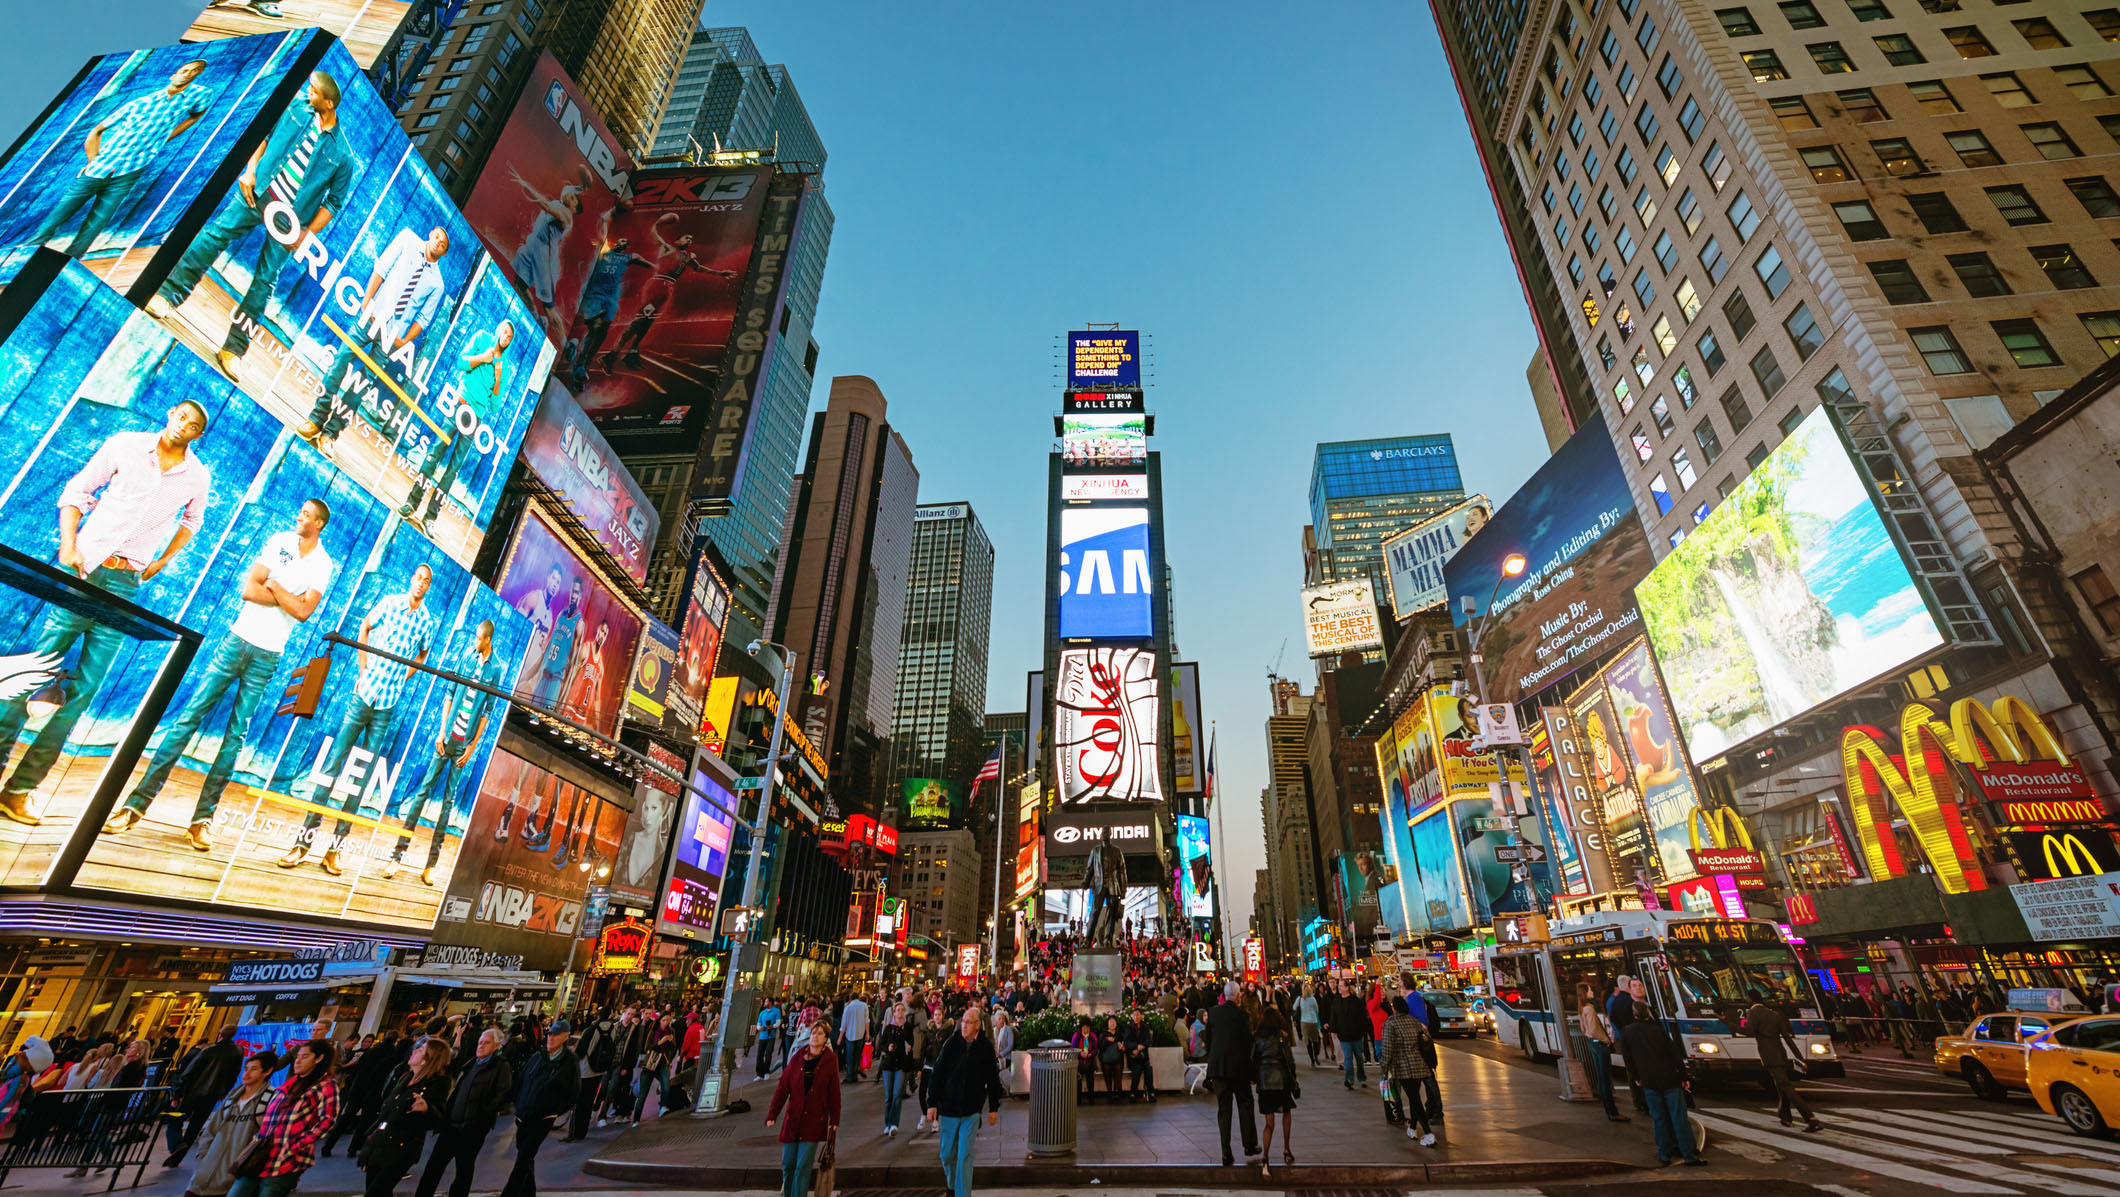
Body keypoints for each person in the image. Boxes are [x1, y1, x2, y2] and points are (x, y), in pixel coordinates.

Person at [0, 401, 211, 827]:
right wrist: (69, 544)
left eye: (193, 426)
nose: (184, 426)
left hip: (125, 585)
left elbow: (193, 521)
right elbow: (76, 492)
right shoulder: (125, 445)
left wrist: (162, 561)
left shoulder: (197, 475)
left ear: (196, 435)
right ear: (169, 414)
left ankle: (18, 791)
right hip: (83, 571)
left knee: (81, 694)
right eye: (181, 417)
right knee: (33, 675)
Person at [150, 72, 359, 382]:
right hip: (259, 190)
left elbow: (333, 203)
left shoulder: (343, 155)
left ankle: (233, 351)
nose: (307, 91)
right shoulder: (295, 107)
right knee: (213, 236)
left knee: (265, 282)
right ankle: (167, 295)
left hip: (290, 220)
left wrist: (305, 234)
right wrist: (249, 172)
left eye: (313, 90)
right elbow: (262, 137)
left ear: (328, 103)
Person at [278, 564, 440, 874]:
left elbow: (422, 656)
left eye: (426, 580)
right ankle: (303, 843)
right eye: (417, 577)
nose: (420, 583)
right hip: (363, 694)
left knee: (360, 779)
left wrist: (404, 677)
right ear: (411, 579)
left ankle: (335, 850)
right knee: (331, 766)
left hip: (387, 705)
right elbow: (364, 627)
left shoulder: (427, 622)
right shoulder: (390, 602)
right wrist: (363, 669)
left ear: (429, 587)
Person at [28, 59, 211, 258]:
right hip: (102, 166)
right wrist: (92, 161)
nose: (188, 73)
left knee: (99, 219)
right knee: (61, 212)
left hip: (131, 170)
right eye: (185, 70)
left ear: (199, 74)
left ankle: (71, 258)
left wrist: (168, 136)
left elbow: (196, 115)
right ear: (173, 74)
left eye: (195, 71)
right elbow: (96, 131)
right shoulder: (140, 103)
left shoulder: (199, 95)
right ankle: (29, 251)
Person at [384, 619, 502, 884]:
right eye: (475, 638)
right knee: (423, 791)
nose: (475, 642)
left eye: (478, 638)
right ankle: (397, 855)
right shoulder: (465, 658)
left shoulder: (495, 670)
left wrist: (471, 747)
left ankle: (431, 865)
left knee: (447, 804)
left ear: (487, 640)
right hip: (446, 738)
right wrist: (441, 731)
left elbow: (487, 711)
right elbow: (449, 693)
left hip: (463, 746)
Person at [404, 322, 516, 526]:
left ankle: (430, 517)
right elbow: (461, 362)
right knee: (435, 452)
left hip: (475, 417)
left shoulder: (505, 366)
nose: (505, 338)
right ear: (498, 329)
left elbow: (494, 405)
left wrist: (498, 378)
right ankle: (412, 502)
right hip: (459, 404)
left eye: (509, 337)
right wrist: (483, 358)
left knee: (453, 468)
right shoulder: (482, 337)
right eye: (504, 332)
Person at [228, 1039, 339, 1197]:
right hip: (261, 1154)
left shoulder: (326, 1085)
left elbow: (328, 1120)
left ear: (319, 1058)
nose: (298, 1060)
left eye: (305, 1056)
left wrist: (298, 1143)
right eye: (298, 1056)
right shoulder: (290, 1084)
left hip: (286, 1160)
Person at [415, 1027, 511, 1197]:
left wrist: (484, 1115)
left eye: (486, 1043)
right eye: (480, 1042)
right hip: (451, 1126)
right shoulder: (471, 1063)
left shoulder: (500, 1066)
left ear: (496, 1046)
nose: (480, 1045)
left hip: (472, 1129)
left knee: (464, 1170)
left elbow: (502, 1094)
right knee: (434, 1167)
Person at [356, 1036, 452, 1197]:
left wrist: (426, 1109)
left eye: (421, 1050)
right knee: (377, 1190)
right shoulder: (404, 1077)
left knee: (375, 1192)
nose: (414, 1051)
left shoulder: (437, 1083)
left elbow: (439, 1118)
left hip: (401, 1148)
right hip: (379, 1142)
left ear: (427, 1059)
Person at [925, 1004, 1003, 1197]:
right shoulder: (952, 1044)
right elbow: (938, 1074)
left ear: (977, 1025)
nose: (964, 1025)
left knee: (965, 1154)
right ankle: (952, 1185)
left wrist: (993, 1107)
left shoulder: (985, 1048)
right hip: (949, 1108)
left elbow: (993, 1079)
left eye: (968, 1022)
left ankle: (962, 1194)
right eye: (963, 1022)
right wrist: (931, 1103)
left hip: (971, 1110)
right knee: (947, 1155)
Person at [500, 1020, 578, 1197]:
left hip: (542, 1119)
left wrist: (552, 1110)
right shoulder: (538, 1056)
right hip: (523, 1115)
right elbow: (521, 1079)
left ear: (565, 1037)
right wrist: (518, 1103)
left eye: (555, 1035)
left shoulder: (568, 1061)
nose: (550, 1038)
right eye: (549, 1034)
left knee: (523, 1160)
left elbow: (573, 1092)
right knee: (525, 1157)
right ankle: (529, 1192)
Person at [186, 1050, 276, 1197]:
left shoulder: (271, 1099)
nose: (246, 1074)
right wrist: (202, 1158)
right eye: (246, 1069)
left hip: (234, 1181)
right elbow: (211, 1130)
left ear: (267, 1071)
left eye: (254, 1069)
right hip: (201, 1179)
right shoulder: (231, 1099)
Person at [765, 1021, 839, 1197]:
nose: (815, 1036)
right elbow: (783, 1088)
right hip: (793, 1119)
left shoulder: (830, 1060)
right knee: (788, 1165)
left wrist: (834, 1119)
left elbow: (834, 1092)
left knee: (802, 1166)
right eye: (813, 1033)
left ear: (825, 1038)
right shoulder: (798, 1057)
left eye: (820, 1034)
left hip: (814, 1120)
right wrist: (772, 1114)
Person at [1618, 1011, 1701, 1166]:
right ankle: (1689, 1154)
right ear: (1647, 1015)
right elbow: (1675, 1055)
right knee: (1679, 1118)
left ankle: (1664, 1153)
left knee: (1659, 1118)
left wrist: (1636, 1077)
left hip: (1649, 1081)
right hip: (1669, 1079)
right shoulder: (1658, 1030)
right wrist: (1684, 1077)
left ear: (1634, 1014)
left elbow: (1628, 1058)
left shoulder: (1628, 1033)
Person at [1743, 989, 1824, 1132]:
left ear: (1750, 999)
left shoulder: (1752, 1013)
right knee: (1781, 1085)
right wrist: (1799, 1057)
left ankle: (1810, 1117)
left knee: (1785, 1086)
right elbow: (1787, 1039)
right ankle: (1785, 1117)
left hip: (1769, 1056)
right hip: (1781, 1054)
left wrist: (1728, 1024)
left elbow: (1749, 1031)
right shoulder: (1775, 1015)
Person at [163, 1025, 243, 1165]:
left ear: (219, 1035)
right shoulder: (237, 1051)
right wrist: (223, 1092)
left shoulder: (209, 1050)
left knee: (174, 1119)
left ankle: (176, 1145)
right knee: (195, 1126)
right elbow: (233, 1075)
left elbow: (189, 1072)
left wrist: (177, 1094)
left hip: (194, 1092)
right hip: (213, 1095)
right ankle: (177, 1157)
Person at [1203, 992, 1261, 1167]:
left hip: (1219, 1069)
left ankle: (1225, 1153)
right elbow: (1248, 1044)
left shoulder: (1213, 1013)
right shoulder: (1242, 1015)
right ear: (1237, 996)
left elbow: (1208, 1039)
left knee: (1224, 1110)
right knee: (1245, 1104)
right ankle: (1249, 1145)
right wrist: (1252, 1074)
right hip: (1238, 1070)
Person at [1380, 995, 1437, 1147]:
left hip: (1403, 1066)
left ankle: (1428, 1133)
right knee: (1414, 1096)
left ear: (1394, 1008)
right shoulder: (1414, 1022)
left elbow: (1387, 1048)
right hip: (1419, 1064)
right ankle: (1412, 1128)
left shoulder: (1390, 1023)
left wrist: (1384, 1067)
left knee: (1414, 1098)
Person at [1253, 1007, 1299, 1177]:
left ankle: (1265, 1157)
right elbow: (1289, 1060)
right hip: (1281, 1079)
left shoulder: (1257, 1037)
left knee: (1269, 1123)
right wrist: (1293, 1078)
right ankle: (1286, 1148)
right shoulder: (1282, 1037)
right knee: (1286, 1113)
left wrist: (1255, 1077)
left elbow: (1253, 1059)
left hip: (1265, 1081)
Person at [1577, 981, 1626, 1122]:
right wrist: (1606, 1040)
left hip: (1591, 1043)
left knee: (1601, 1078)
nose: (1592, 991)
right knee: (1605, 1079)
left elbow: (1584, 1029)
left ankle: (1609, 1110)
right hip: (1599, 1044)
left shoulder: (1582, 1008)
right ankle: (1612, 1111)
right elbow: (1593, 1029)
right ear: (1585, 993)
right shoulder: (1590, 1009)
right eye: (1590, 990)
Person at [1331, 979, 1370, 1088]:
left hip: (1356, 1034)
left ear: (1347, 987)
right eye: (1339, 986)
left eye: (1341, 986)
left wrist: (1363, 1031)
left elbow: (1362, 1017)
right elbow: (1333, 1015)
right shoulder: (1337, 1000)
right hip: (1343, 1034)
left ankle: (1361, 1077)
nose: (1339, 988)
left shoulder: (1355, 1001)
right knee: (1347, 1057)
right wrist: (1333, 1029)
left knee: (1359, 1057)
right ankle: (1349, 1079)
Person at [1122, 1008, 1154, 1102]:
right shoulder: (1129, 1028)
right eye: (1134, 1015)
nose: (1136, 1017)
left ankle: (1151, 1093)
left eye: (1138, 1015)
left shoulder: (1145, 1027)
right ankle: (1133, 1093)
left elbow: (1148, 1040)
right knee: (1137, 1068)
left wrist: (1141, 1047)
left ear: (1141, 1016)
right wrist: (1135, 1047)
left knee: (1148, 1069)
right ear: (1132, 1017)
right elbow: (1126, 1042)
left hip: (1143, 1056)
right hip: (1133, 1057)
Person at [839, 990, 870, 1084]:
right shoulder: (864, 1006)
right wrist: (867, 1033)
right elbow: (867, 1021)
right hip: (860, 1034)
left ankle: (849, 1076)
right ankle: (855, 1075)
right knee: (857, 1056)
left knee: (849, 1056)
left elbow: (844, 1023)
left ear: (851, 998)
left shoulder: (848, 1007)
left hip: (850, 1035)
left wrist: (840, 1037)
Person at [1070, 1016, 1099, 1105]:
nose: (1085, 1029)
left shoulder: (1092, 1036)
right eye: (1083, 1027)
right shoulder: (1076, 1035)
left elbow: (1095, 1049)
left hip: (1089, 1061)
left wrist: (1090, 1054)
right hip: (1079, 1062)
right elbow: (1073, 1048)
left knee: (1090, 1079)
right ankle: (1078, 1100)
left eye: (1087, 1027)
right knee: (1078, 1080)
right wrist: (1080, 1053)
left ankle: (1091, 1099)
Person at [990, 1008, 1014, 1099]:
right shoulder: (994, 1030)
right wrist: (995, 1053)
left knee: (995, 1068)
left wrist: (1001, 1054)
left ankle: (1000, 1090)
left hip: (1006, 1056)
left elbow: (1010, 1045)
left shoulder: (1008, 1029)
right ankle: (998, 1089)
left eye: (1003, 1018)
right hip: (996, 1056)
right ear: (995, 1020)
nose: (1001, 1020)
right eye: (999, 1019)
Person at [1296, 983, 1323, 1066]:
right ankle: (1316, 1056)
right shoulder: (1312, 999)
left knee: (1308, 1042)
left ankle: (1312, 1060)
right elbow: (1317, 1010)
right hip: (1313, 1022)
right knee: (1316, 1041)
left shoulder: (1299, 999)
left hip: (1304, 1023)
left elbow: (1294, 1007)